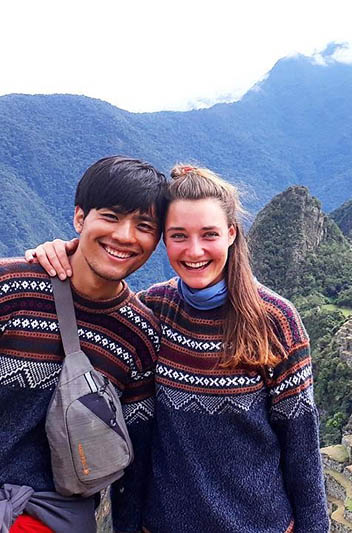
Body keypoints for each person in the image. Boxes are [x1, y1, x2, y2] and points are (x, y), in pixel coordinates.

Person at [28, 164, 328, 533]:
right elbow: (139, 439)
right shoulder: (153, 309)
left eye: (209, 234)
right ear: (163, 241)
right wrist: (58, 256)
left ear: (231, 234)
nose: (194, 250)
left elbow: (302, 450)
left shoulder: (275, 320)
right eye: (178, 236)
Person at [1, 156, 166, 533]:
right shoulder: (11, 290)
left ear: (156, 241)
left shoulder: (138, 335)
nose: (125, 236)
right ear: (80, 218)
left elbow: (133, 462)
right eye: (110, 216)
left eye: (143, 226)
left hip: (54, 519)